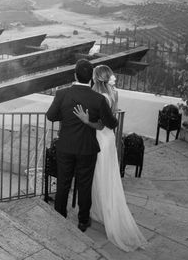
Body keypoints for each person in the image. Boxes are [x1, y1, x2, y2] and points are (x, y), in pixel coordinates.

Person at [73, 65, 147, 252]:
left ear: (95, 78)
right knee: (101, 176)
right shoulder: (111, 94)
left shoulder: (99, 97)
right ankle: (97, 210)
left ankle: (105, 212)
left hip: (100, 139)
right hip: (106, 139)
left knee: (100, 177)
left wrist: (86, 121)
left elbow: (103, 124)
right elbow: (110, 121)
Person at [46, 59, 118, 232]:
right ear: (90, 79)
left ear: (75, 75)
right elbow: (112, 123)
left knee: (63, 183)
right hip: (87, 148)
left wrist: (66, 116)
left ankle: (60, 215)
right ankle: (83, 221)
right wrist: (95, 121)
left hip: (66, 146)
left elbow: (50, 116)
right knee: (85, 185)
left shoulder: (62, 94)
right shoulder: (98, 99)